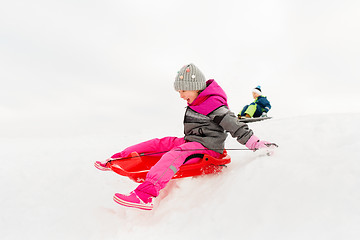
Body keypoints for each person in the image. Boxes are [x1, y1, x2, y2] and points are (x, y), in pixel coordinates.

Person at [95, 63, 275, 210]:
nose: (180, 96)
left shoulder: (213, 105)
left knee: (176, 154)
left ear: (194, 87)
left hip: (209, 149)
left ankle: (146, 195)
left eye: (183, 91)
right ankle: (117, 159)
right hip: (193, 142)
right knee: (159, 143)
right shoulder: (198, 101)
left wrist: (255, 143)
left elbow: (234, 125)